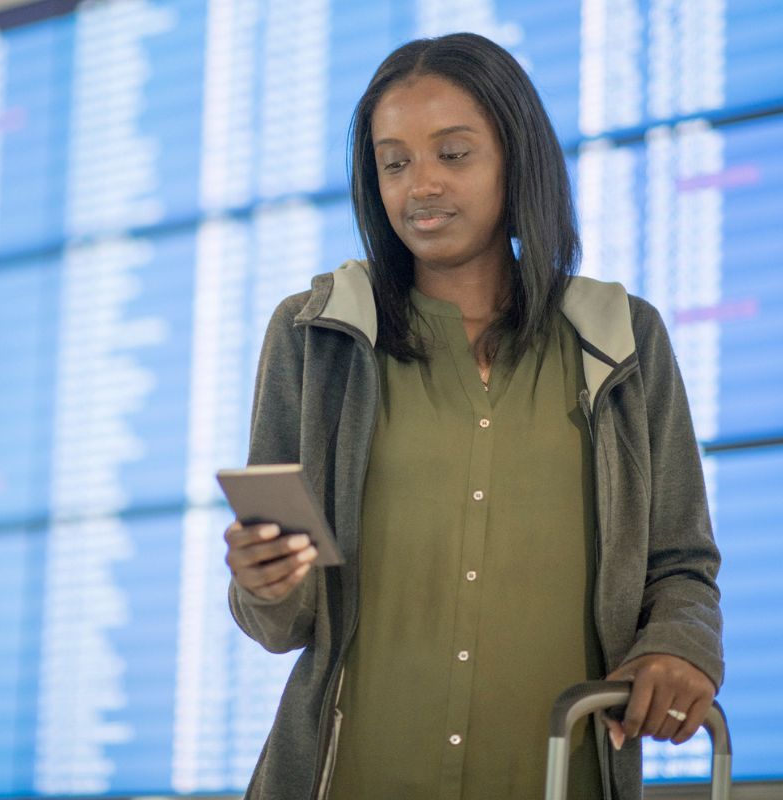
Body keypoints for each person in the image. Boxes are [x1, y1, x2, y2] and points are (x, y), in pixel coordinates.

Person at [223, 32, 723, 800]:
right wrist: (263, 583)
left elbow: (680, 565)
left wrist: (678, 650)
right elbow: (282, 621)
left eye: (452, 154)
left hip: (558, 775)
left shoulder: (623, 337)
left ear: (516, 158)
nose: (419, 186)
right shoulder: (314, 336)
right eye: (395, 162)